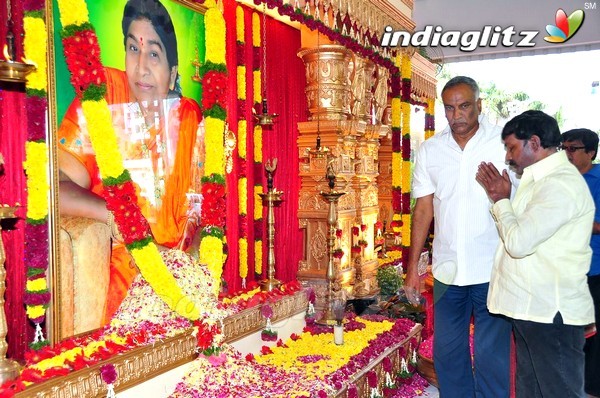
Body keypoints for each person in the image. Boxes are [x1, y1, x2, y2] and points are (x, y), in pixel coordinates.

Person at [58, 0, 204, 325]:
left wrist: (184, 261)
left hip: (179, 277)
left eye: (153, 53)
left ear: (173, 73)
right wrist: (115, 216)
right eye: (132, 48)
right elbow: (56, 187)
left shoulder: (189, 119)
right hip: (122, 280)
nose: (141, 66)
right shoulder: (103, 97)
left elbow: (201, 211)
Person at [404, 76, 513, 398]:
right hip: (448, 269)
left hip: (493, 266)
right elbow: (423, 209)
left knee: (492, 352)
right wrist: (412, 269)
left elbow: (523, 201)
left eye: (464, 106)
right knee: (448, 351)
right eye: (449, 108)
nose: (457, 115)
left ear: (479, 105)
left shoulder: (504, 143)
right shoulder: (431, 149)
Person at [476, 110, 594, 398]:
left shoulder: (559, 184)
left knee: (558, 392)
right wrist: (504, 200)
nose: (507, 156)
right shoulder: (540, 180)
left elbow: (518, 243)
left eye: (512, 147)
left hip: (550, 312)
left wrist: (501, 200)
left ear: (535, 142)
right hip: (534, 310)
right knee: (532, 390)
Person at [562, 128, 600, 398]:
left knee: (594, 335)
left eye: (573, 149)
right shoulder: (561, 179)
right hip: (562, 269)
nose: (568, 154)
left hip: (594, 269)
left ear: (591, 152)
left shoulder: (597, 180)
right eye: (564, 148)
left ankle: (591, 389)